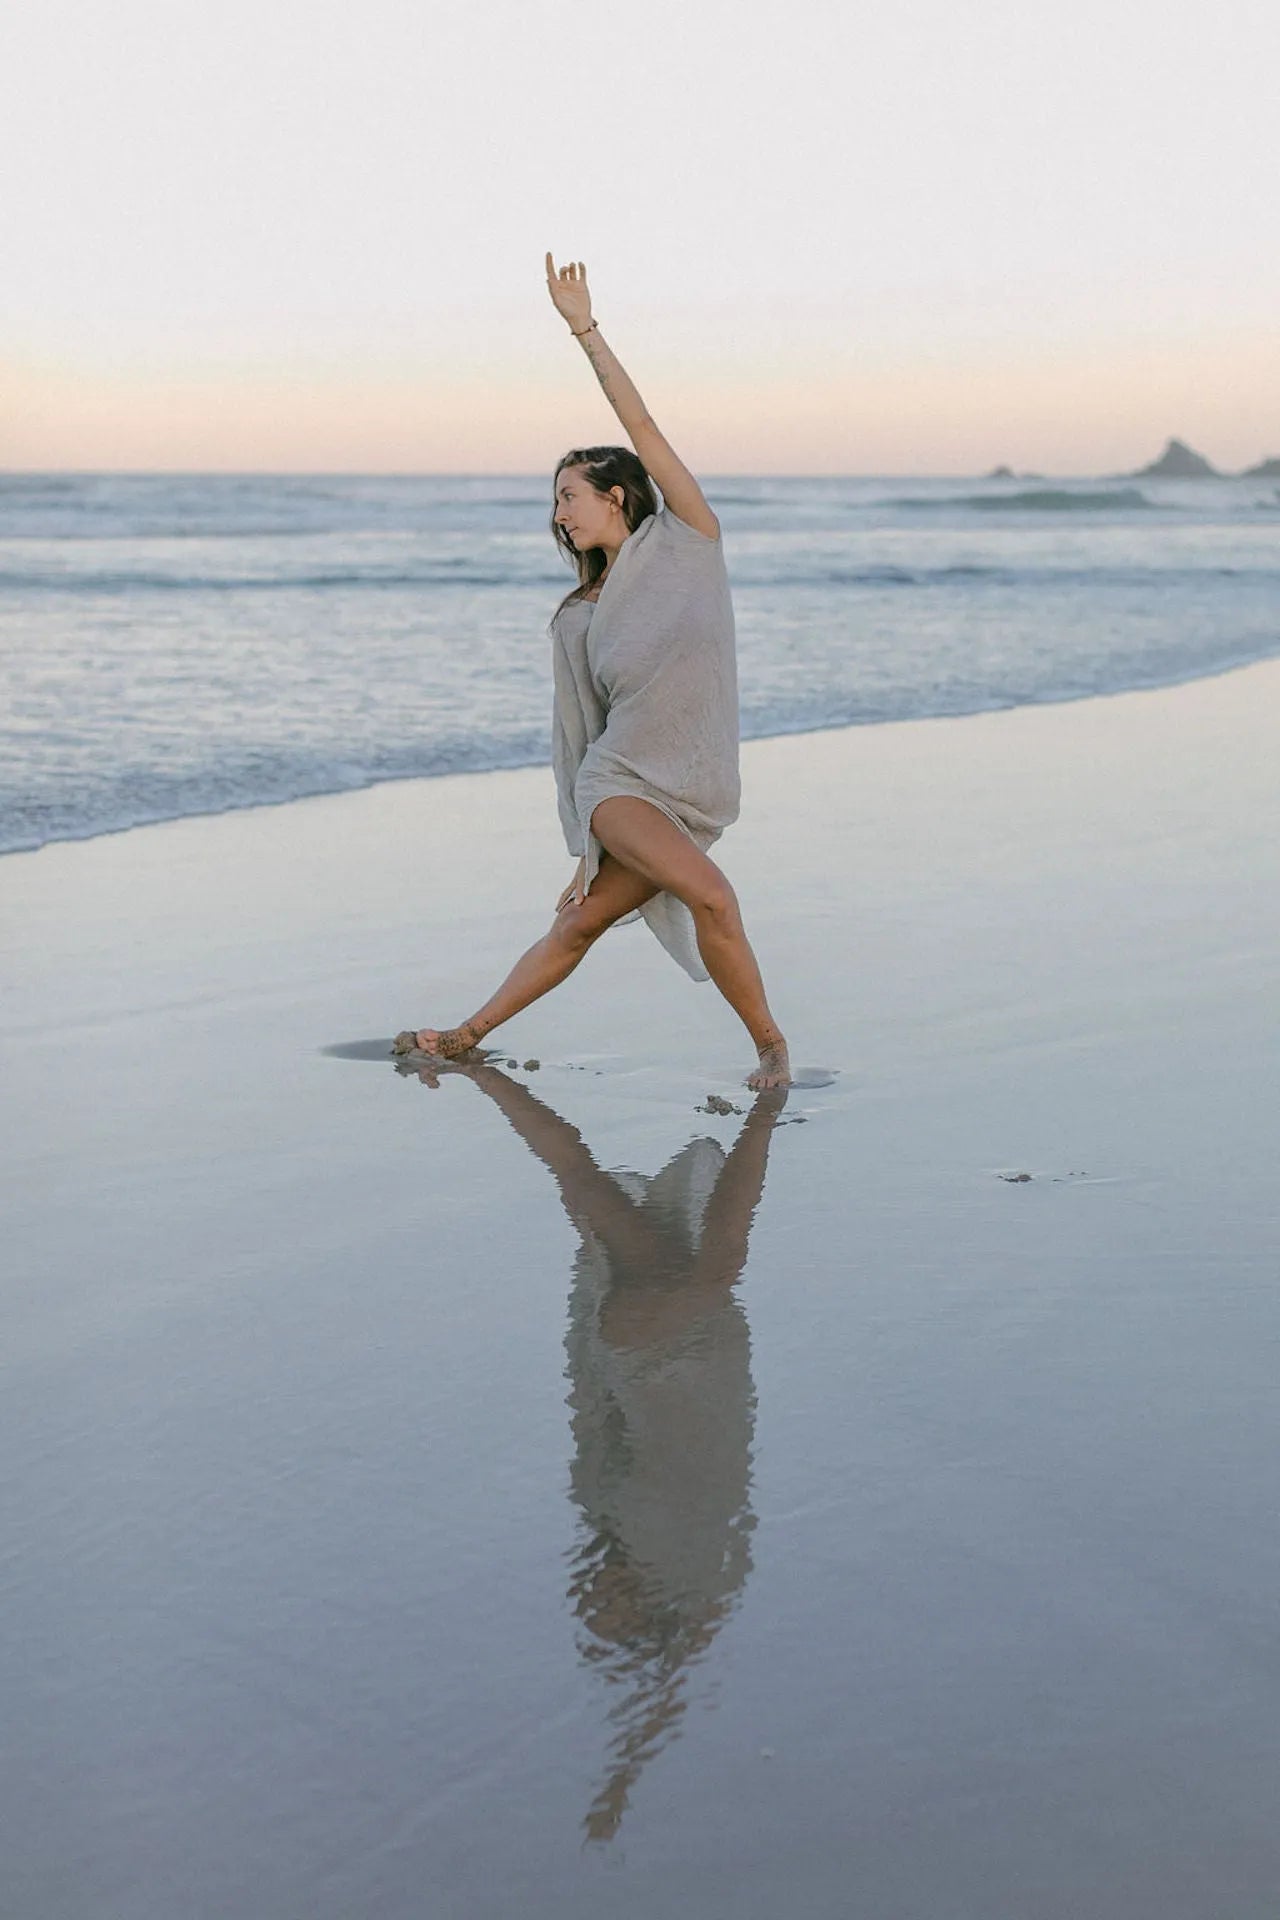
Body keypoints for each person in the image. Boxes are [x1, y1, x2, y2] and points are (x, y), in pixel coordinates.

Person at [393, 255, 789, 1090]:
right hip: (620, 789)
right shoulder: (577, 615)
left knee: (579, 931)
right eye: (555, 500)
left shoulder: (689, 539)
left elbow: (643, 425)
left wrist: (585, 330)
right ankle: (772, 1052)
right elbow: (577, 737)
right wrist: (586, 848)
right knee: (715, 898)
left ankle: (465, 1036)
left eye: (570, 493)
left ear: (617, 496)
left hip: (691, 790)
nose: (559, 512)